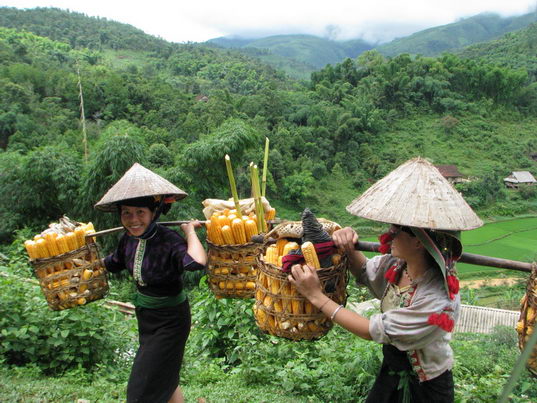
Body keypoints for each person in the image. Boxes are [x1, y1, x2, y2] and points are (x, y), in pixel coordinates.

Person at [288, 157, 483, 403]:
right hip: (391, 372)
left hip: (426, 387)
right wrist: (348, 246)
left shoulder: (436, 300)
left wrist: (316, 296)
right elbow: (366, 273)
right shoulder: (397, 265)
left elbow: (371, 331)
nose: (388, 235)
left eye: (396, 230)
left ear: (417, 242)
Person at [94, 163, 207, 403]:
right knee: (164, 377)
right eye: (126, 213)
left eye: (140, 213)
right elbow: (112, 262)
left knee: (141, 389)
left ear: (153, 212)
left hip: (171, 320)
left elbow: (196, 262)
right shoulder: (128, 240)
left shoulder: (168, 240)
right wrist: (81, 264)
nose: (133, 220)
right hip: (146, 317)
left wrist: (189, 233)